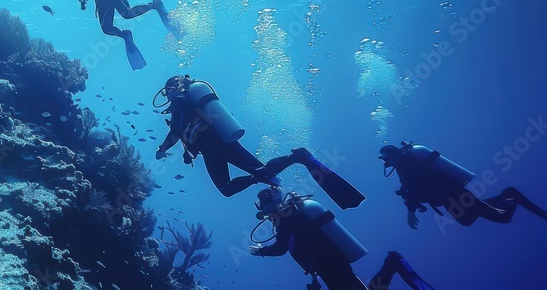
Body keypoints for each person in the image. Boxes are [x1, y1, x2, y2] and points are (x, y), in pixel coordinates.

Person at [154, 75, 364, 209]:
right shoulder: (184, 102)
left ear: (173, 87)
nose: (168, 95)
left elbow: (175, 131)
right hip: (212, 151)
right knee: (230, 188)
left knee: (261, 175)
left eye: (167, 90)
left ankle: (298, 157)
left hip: (222, 145)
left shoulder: (180, 100)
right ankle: (277, 170)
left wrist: (162, 149)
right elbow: (183, 133)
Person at [249, 187, 435, 290]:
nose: (263, 214)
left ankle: (392, 264)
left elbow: (281, 247)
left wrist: (262, 251)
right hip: (328, 263)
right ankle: (392, 264)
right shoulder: (291, 213)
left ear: (267, 204)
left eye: (262, 208)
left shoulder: (284, 216)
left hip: (327, 263)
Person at [379, 142, 547, 229]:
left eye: (384, 159)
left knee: (501, 216)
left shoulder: (406, 164)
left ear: (391, 156)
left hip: (454, 195)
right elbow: (417, 186)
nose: (385, 163)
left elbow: (415, 188)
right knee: (467, 220)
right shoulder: (406, 164)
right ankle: (505, 196)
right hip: (447, 199)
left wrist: (411, 211)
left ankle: (511, 196)